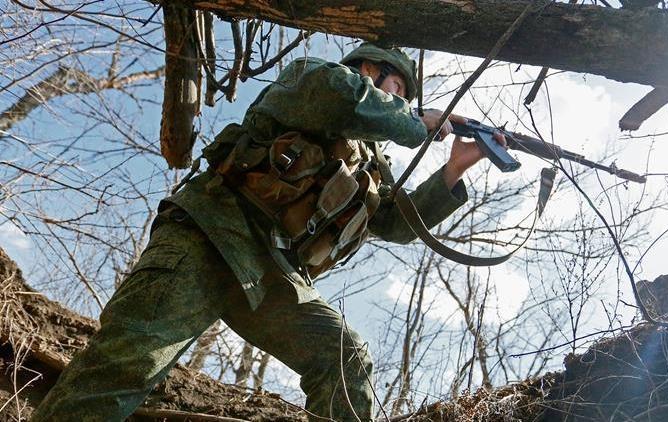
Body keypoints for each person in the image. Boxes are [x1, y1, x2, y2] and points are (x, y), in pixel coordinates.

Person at [31, 42, 506, 421]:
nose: (396, 99)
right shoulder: (313, 82)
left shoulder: (368, 167)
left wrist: (453, 170)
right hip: (210, 236)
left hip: (274, 277)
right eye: (390, 85)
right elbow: (337, 94)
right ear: (365, 70)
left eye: (403, 94)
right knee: (128, 365)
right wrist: (416, 120)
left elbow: (397, 225)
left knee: (344, 358)